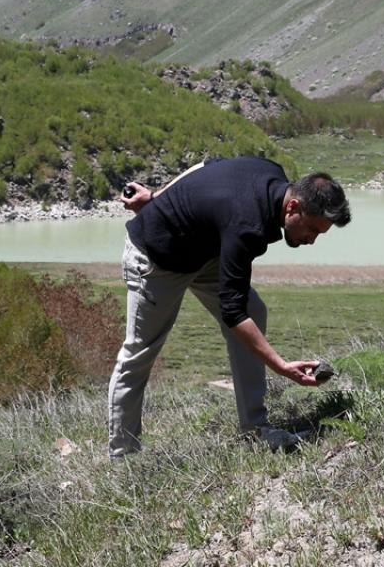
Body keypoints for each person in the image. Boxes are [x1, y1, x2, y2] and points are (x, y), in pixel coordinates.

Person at [108, 156, 351, 457]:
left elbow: (205, 167)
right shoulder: (246, 224)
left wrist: (156, 196)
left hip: (204, 254)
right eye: (312, 229)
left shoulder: (273, 173)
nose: (311, 240)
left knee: (255, 309)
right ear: (293, 207)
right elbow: (233, 312)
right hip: (156, 259)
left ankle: (255, 429)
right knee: (138, 354)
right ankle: (124, 458)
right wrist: (281, 366)